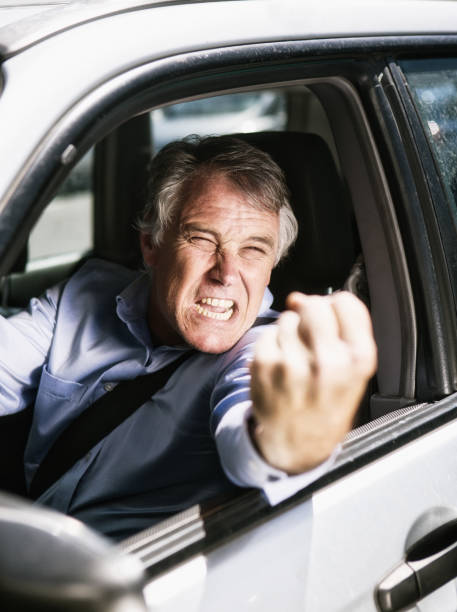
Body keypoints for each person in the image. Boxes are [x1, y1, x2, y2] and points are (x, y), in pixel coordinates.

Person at [0, 136, 376, 540]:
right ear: (151, 245)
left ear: (272, 267)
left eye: (253, 249)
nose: (226, 273)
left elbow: (252, 436)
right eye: (202, 239)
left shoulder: (260, 350)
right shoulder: (86, 293)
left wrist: (292, 439)